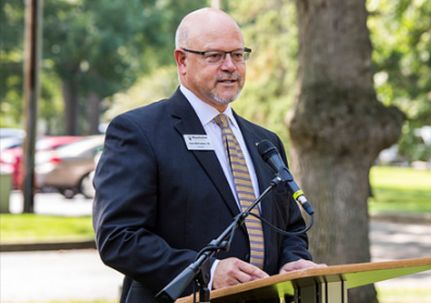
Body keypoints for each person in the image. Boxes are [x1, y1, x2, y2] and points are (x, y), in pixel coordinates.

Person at [93, 7, 321, 302]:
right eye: (214, 56)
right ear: (182, 60)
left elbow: (289, 228)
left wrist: (293, 261)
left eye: (238, 55)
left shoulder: (264, 141)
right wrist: (208, 273)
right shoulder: (139, 132)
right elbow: (118, 237)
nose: (230, 66)